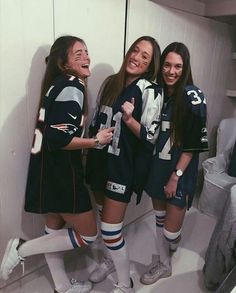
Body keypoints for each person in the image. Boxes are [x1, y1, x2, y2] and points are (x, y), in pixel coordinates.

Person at [0, 35, 113, 293]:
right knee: (88, 234)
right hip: (62, 172)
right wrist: (96, 141)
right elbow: (59, 139)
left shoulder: (54, 85)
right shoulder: (73, 85)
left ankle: (62, 287)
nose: (86, 57)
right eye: (78, 54)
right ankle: (22, 248)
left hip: (46, 169)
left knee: (53, 232)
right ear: (64, 64)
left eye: (86, 51)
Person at [86, 36, 163, 293]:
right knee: (101, 216)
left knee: (110, 229)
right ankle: (109, 259)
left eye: (145, 56)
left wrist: (130, 119)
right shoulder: (111, 82)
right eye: (135, 50)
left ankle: (124, 283)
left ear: (151, 64)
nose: (137, 57)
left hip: (122, 165)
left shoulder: (151, 89)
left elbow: (150, 136)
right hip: (99, 160)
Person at [139, 42, 209, 285]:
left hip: (178, 172)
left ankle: (171, 243)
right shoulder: (157, 92)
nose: (171, 71)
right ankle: (164, 264)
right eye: (167, 65)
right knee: (160, 218)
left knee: (170, 231)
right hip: (157, 167)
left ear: (185, 67)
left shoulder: (193, 96)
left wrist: (175, 175)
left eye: (177, 66)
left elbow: (192, 145)